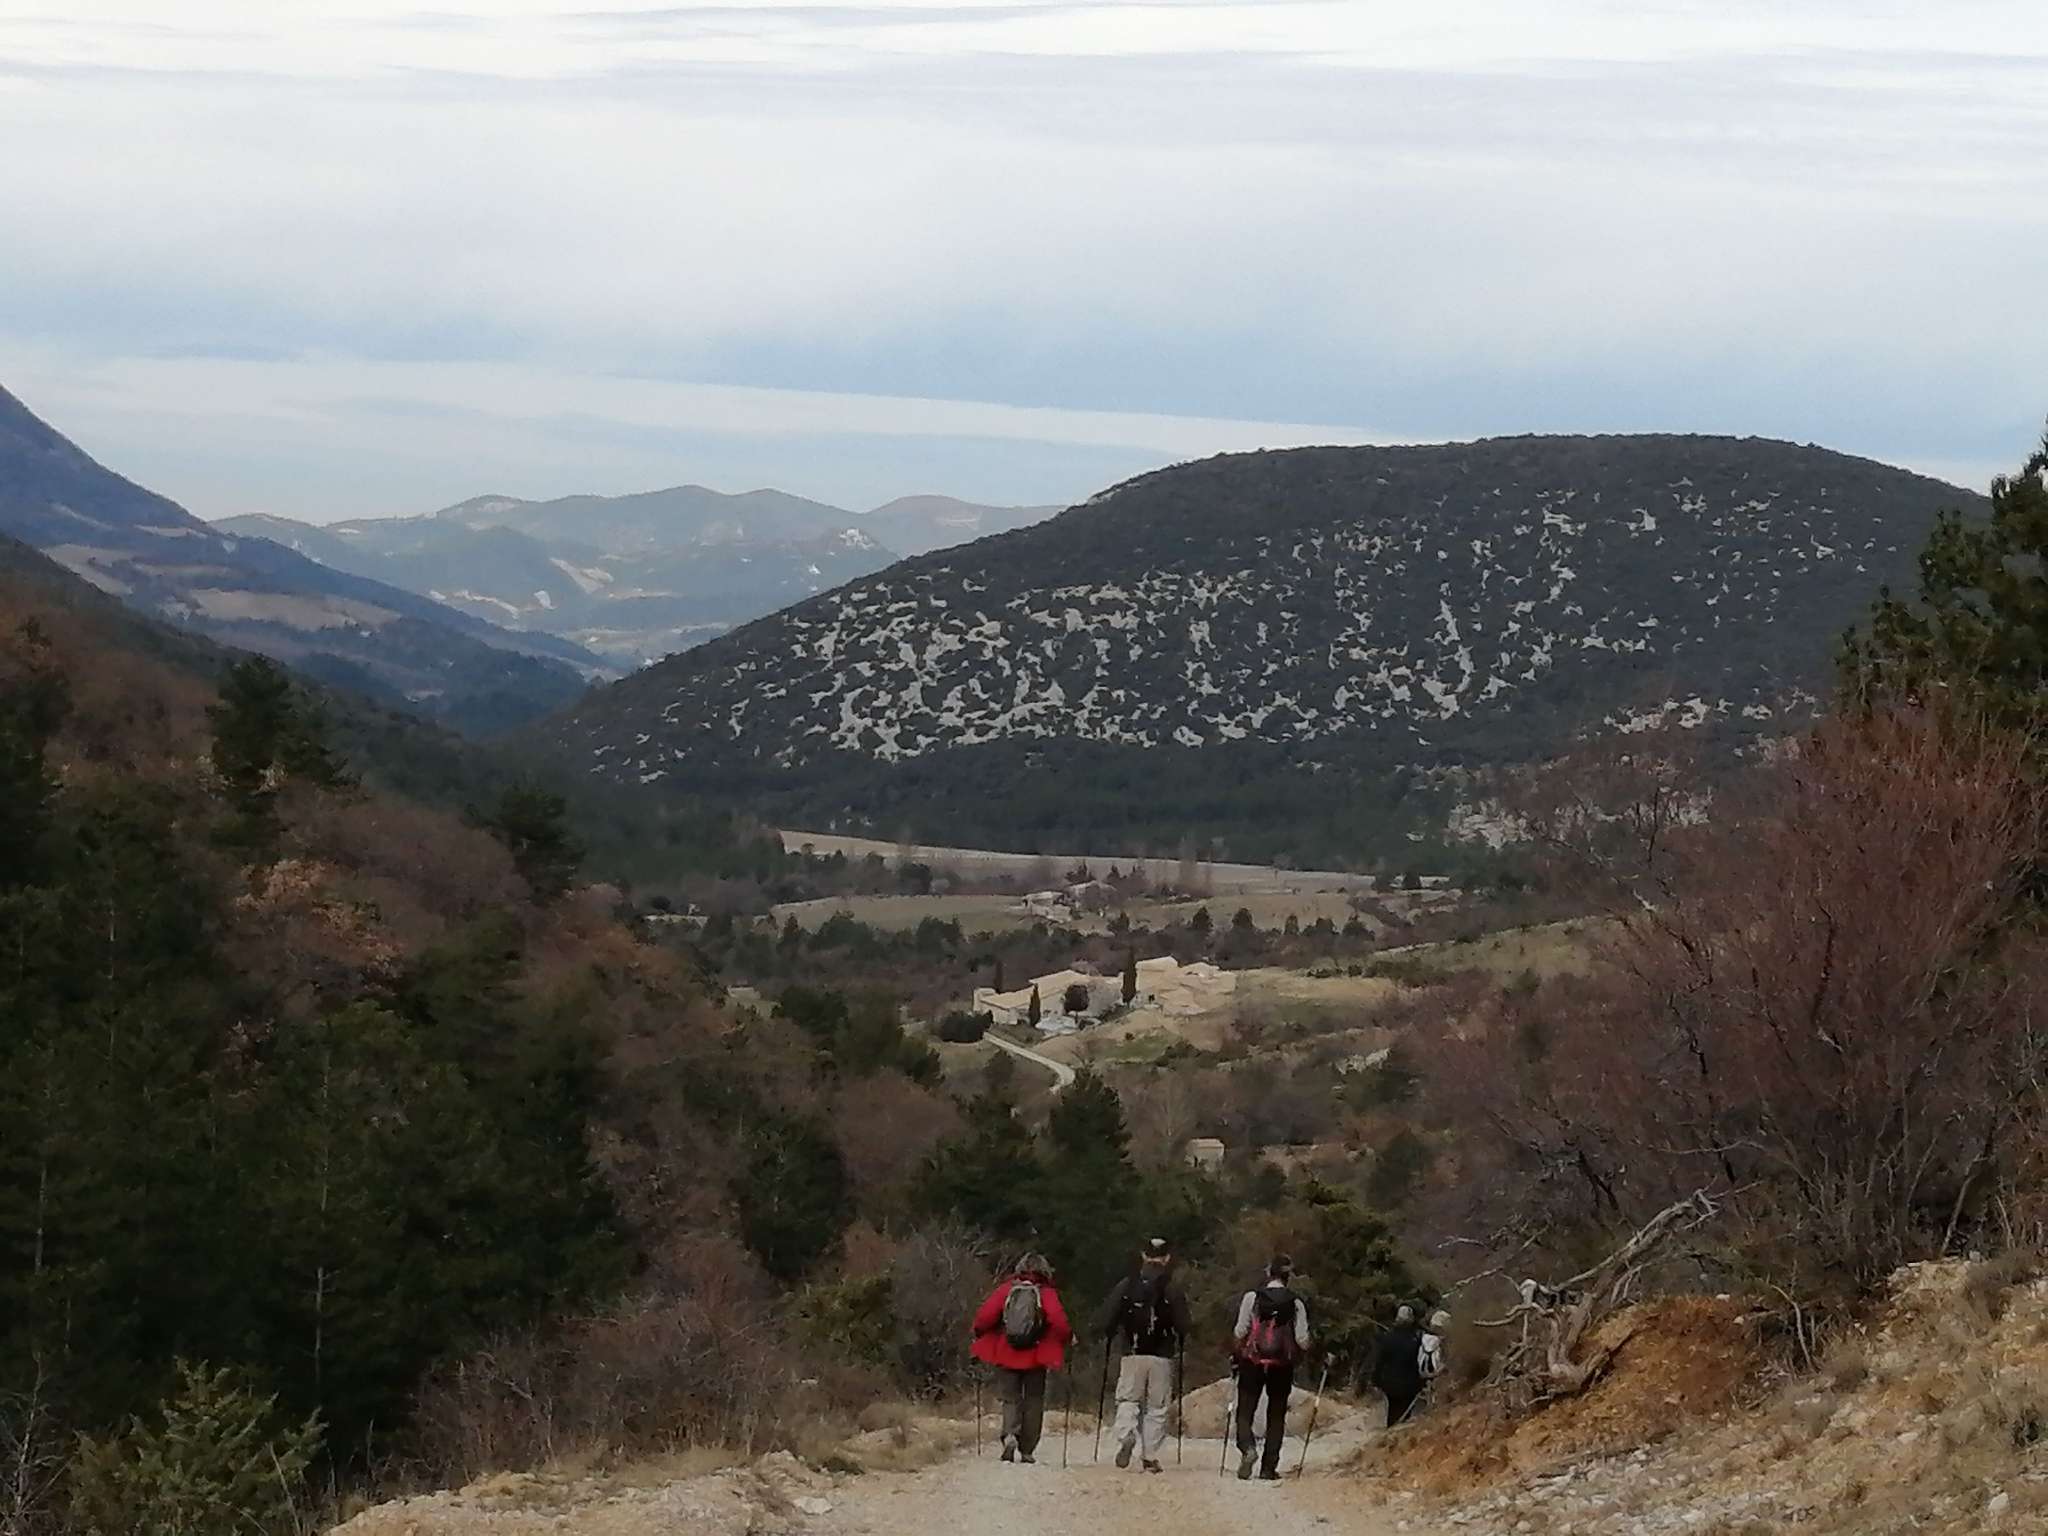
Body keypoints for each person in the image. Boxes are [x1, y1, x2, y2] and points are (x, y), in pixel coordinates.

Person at [1094, 1237, 1191, 1473]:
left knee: (1128, 1400)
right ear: (1167, 1258)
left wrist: (1107, 1333)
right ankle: (1150, 1456)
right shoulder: (1172, 1288)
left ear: (1144, 1256)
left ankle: (1127, 1435)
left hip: (1132, 1353)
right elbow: (1184, 1325)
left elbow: (1107, 1317)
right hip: (1162, 1356)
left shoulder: (1128, 1285)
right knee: (1157, 1407)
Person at [971, 1251, 1073, 1463]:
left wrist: (979, 1332)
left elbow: (985, 1317)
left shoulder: (1007, 1290)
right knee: (1034, 1400)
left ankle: (1010, 1435)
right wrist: (1068, 1338)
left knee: (1010, 1398)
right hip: (1036, 1356)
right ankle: (1027, 1449)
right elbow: (1059, 1321)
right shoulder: (1046, 1293)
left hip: (1007, 1353)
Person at [1232, 1254, 1310, 1481]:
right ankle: (1268, 1468)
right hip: (1282, 1365)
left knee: (1245, 1410)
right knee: (1276, 1415)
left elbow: (1240, 1331)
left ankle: (1247, 1447)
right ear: (1288, 1277)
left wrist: (1237, 1352)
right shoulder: (1296, 1303)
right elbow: (1302, 1339)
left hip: (1253, 1362)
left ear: (1268, 1273)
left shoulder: (1252, 1298)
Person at [1371, 1303, 1425, 1428]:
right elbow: (1418, 1362)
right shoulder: (1416, 1340)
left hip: (1390, 1384)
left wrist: (1376, 1380)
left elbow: (1380, 1360)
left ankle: (1390, 1431)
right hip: (1409, 1384)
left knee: (1393, 1411)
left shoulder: (1388, 1338)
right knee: (1405, 1415)